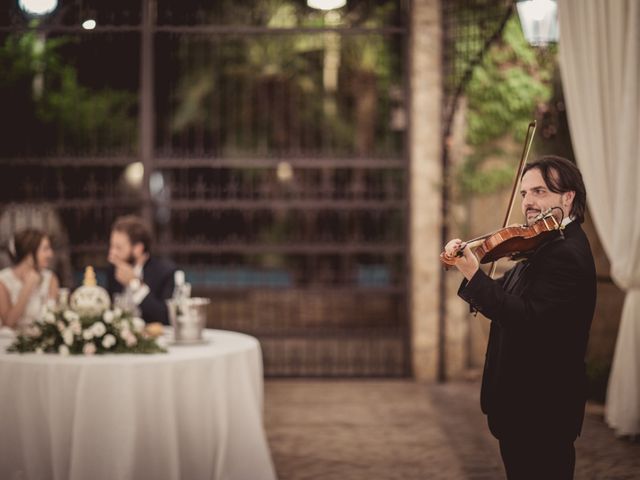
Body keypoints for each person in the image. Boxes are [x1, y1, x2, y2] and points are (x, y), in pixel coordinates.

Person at [443, 156, 596, 480]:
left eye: (539, 191)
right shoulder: (545, 243)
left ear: (567, 197)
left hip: (540, 409)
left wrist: (475, 277)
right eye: (525, 193)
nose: (528, 202)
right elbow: (510, 289)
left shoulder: (566, 253)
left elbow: (527, 318)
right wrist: (473, 269)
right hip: (523, 407)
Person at [106, 215, 176, 325]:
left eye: (118, 248)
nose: (111, 253)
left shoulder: (165, 272)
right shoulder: (113, 271)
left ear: (138, 249)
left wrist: (135, 284)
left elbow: (166, 318)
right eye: (111, 246)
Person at [0, 228, 60, 329]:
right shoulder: (3, 281)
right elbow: (8, 323)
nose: (51, 254)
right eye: (45, 249)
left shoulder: (50, 279)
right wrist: (27, 287)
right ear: (29, 255)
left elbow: (53, 317)